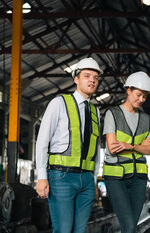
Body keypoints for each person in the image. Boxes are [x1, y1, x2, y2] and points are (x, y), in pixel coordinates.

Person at [35, 57, 103, 233]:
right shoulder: (59, 103)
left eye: (95, 77)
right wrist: (41, 176)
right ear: (76, 79)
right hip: (61, 177)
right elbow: (42, 140)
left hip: (86, 181)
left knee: (79, 231)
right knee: (64, 229)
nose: (92, 80)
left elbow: (96, 149)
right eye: (87, 75)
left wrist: (94, 180)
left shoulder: (95, 111)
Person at [102, 71, 150, 233]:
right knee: (129, 226)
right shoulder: (113, 114)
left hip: (138, 179)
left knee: (132, 226)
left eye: (144, 97)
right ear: (128, 90)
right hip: (115, 178)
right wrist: (141, 145)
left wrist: (130, 146)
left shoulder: (146, 119)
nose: (141, 100)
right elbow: (113, 147)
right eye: (138, 95)